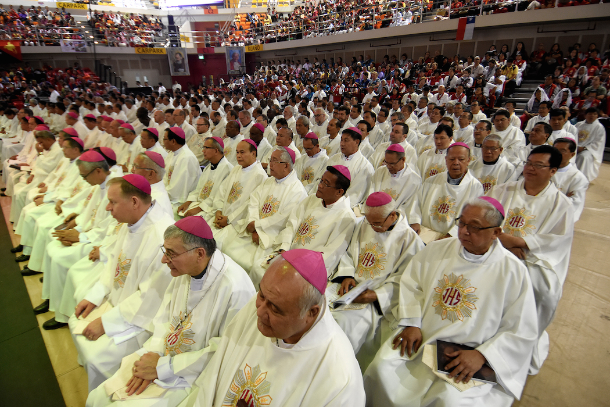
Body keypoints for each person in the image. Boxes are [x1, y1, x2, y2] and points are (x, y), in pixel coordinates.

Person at [363, 197, 538, 407]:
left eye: (475, 227)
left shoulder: (513, 272)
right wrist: (411, 322)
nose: (464, 231)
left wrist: (482, 355)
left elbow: (521, 329)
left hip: (468, 355)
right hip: (423, 341)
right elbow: (412, 284)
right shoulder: (437, 250)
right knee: (381, 368)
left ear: (496, 233)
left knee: (450, 400)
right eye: (462, 223)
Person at [86, 217, 256, 407]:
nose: (163, 259)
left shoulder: (235, 287)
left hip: (193, 375)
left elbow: (223, 350)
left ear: (199, 253)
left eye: (171, 253)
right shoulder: (185, 269)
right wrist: (154, 356)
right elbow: (164, 318)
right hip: (163, 358)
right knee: (97, 397)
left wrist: (163, 368)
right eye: (165, 251)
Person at [179, 249, 366, 406]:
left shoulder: (339, 378)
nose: (259, 312)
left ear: (311, 313)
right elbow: (216, 372)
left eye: (276, 309)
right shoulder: (266, 303)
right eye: (261, 295)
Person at [69, 174, 176, 391]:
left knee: (97, 358)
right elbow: (114, 265)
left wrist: (107, 322)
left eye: (113, 202)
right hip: (121, 302)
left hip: (142, 318)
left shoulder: (161, 236)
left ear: (134, 202)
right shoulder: (134, 222)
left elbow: (151, 297)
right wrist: (96, 295)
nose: (108, 208)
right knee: (76, 319)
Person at [486, 145, 574, 374]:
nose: (530, 169)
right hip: (494, 248)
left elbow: (556, 240)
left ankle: (518, 344)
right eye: (528, 163)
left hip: (533, 259)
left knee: (544, 292)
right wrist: (503, 242)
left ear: (553, 171)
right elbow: (485, 217)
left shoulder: (561, 204)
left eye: (538, 165)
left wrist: (519, 243)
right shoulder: (503, 190)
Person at [331, 192, 424, 370]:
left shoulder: (410, 239)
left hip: (374, 301)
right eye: (370, 222)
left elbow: (408, 281)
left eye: (378, 224)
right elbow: (350, 252)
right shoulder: (364, 225)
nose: (373, 227)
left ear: (392, 215)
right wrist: (348, 275)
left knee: (342, 323)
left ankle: (342, 370)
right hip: (351, 289)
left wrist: (376, 295)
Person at [249, 165, 357, 287]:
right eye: (321, 180)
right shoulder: (312, 199)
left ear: (339, 191)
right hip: (287, 255)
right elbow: (292, 225)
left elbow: (330, 255)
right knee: (257, 269)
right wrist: (284, 248)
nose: (320, 185)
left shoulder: (346, 218)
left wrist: (297, 265)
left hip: (306, 270)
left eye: (326, 184)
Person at [218, 147, 307, 272]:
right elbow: (253, 201)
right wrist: (253, 222)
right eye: (270, 160)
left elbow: (283, 218)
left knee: (253, 268)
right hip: (252, 229)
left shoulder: (297, 191)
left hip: (269, 237)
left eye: (274, 161)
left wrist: (258, 226)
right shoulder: (269, 181)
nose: (269, 164)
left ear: (286, 166)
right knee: (227, 250)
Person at [409, 143, 484, 243]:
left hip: (451, 239)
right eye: (452, 159)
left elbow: (473, 216)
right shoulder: (432, 180)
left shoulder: (475, 187)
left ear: (468, 160)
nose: (456, 163)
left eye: (461, 159)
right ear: (446, 160)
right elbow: (416, 202)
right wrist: (415, 221)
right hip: (424, 233)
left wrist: (452, 234)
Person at [205, 139, 267, 236]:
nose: (238, 155)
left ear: (253, 154)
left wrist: (229, 219)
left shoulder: (260, 176)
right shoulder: (236, 169)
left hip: (237, 224)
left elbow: (251, 204)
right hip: (221, 216)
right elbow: (222, 191)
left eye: (242, 152)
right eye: (237, 152)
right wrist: (218, 211)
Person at [177, 136, 233, 219]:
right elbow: (198, 189)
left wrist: (198, 209)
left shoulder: (228, 169)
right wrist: (188, 202)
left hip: (211, 209)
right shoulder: (208, 167)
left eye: (206, 148)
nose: (203, 150)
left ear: (216, 151)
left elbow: (219, 197)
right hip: (199, 204)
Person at [324, 127, 374, 208]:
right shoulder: (333, 159)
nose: (342, 144)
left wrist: (332, 202)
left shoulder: (365, 167)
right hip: (325, 199)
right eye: (341, 140)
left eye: (346, 140)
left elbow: (354, 195)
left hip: (343, 206)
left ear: (356, 142)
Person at [367, 144, 421, 216]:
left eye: (392, 164)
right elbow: (371, 192)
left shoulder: (414, 179)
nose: (388, 167)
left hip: (396, 217)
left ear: (403, 160)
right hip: (375, 213)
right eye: (386, 162)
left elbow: (410, 206)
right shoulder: (380, 171)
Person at [162, 127, 202, 217]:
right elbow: (164, 176)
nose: (163, 141)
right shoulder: (172, 153)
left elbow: (177, 189)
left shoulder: (186, 157)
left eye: (165, 139)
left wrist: (161, 194)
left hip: (181, 201)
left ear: (173, 141)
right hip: (170, 195)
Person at [552, 138, 589, 222]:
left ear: (572, 155)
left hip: (559, 219)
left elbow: (573, 203)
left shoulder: (578, 178)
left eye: (563, 151)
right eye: (555, 150)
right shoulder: (543, 169)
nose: (557, 153)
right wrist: (563, 197)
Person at [575, 107, 606, 182]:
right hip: (576, 147)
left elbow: (598, 142)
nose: (592, 116)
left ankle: (581, 179)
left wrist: (584, 148)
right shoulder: (579, 124)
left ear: (597, 116)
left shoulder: (599, 127)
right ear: (585, 115)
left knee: (583, 156)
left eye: (594, 114)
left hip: (589, 150)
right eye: (590, 114)